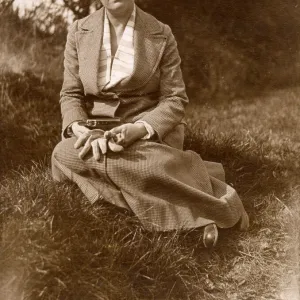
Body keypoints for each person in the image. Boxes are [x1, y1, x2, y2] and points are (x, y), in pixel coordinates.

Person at [52, 0, 249, 248]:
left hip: (146, 133)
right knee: (62, 153)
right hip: (96, 133)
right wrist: (78, 127)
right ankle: (185, 191)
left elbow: (174, 99)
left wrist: (140, 128)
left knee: (138, 162)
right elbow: (70, 94)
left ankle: (210, 209)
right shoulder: (79, 31)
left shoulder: (160, 33)